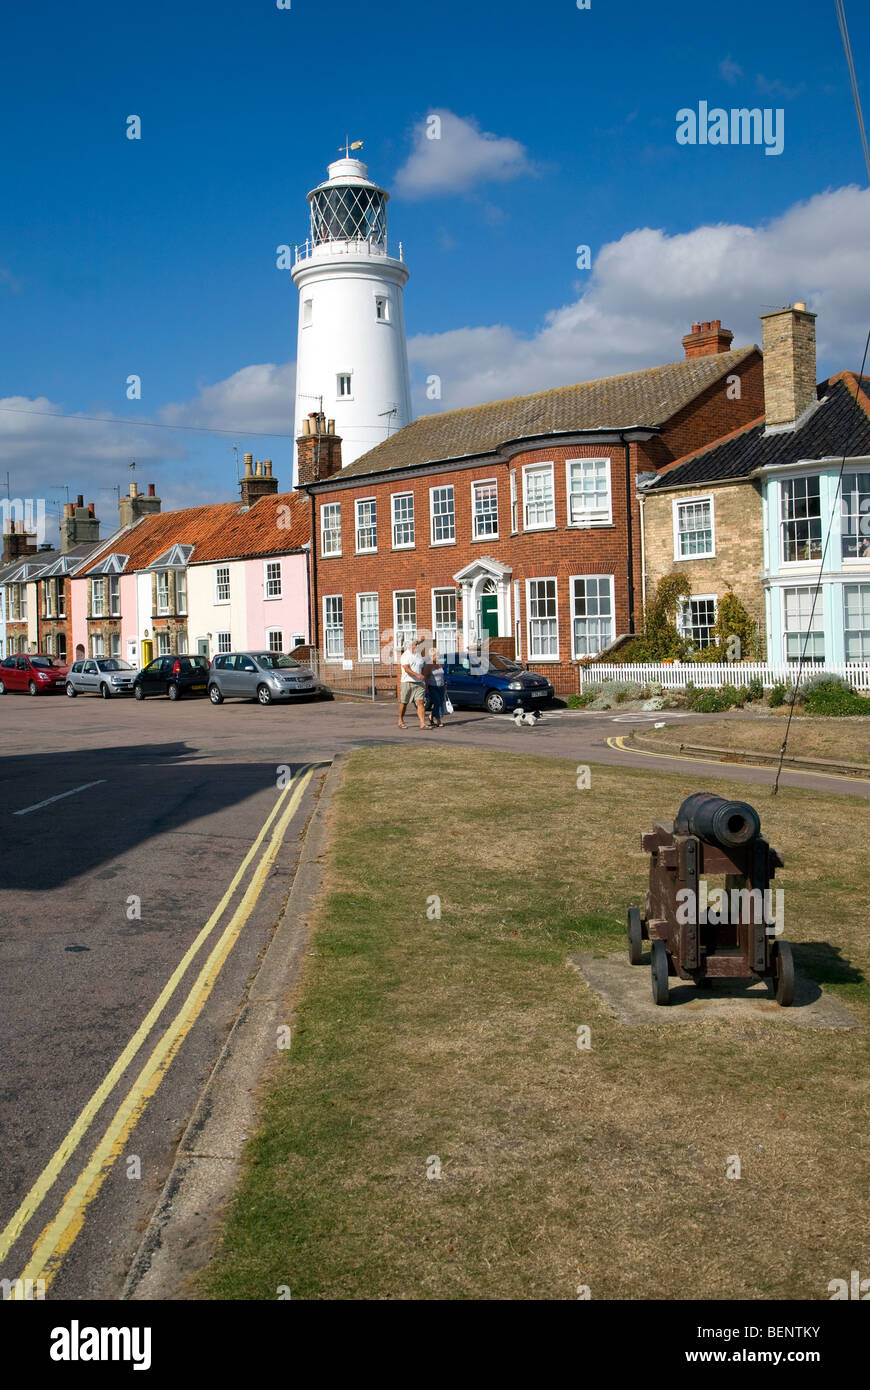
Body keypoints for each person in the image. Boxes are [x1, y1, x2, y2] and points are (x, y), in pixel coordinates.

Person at [398, 636, 427, 729]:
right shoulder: (405, 655)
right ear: (411, 646)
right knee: (404, 702)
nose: (417, 646)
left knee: (420, 702)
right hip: (407, 681)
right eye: (415, 645)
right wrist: (417, 675)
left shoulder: (418, 654)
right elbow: (406, 669)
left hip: (419, 683)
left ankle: (422, 723)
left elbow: (422, 667)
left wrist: (422, 677)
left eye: (417, 644)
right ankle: (400, 719)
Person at [424, 648, 446, 727]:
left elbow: (442, 675)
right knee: (437, 703)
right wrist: (426, 689)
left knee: (440, 703)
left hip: (441, 686)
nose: (439, 656)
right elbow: (426, 677)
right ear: (433, 655)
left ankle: (431, 716)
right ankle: (438, 720)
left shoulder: (439, 663)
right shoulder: (428, 665)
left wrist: (444, 686)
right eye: (437, 655)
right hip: (432, 687)